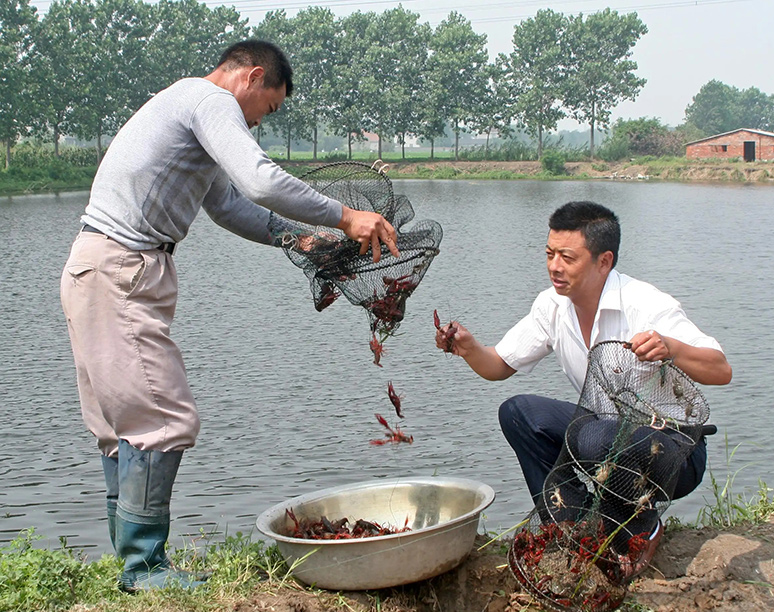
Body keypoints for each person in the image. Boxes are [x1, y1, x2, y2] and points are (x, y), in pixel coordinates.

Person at [60, 40, 399, 592]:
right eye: (267, 108)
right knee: (163, 420)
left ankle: (133, 565)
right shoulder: (211, 102)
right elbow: (261, 181)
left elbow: (228, 206)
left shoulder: (181, 103)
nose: (260, 122)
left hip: (99, 268)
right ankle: (145, 570)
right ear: (252, 78)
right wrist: (346, 215)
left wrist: (300, 237)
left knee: (119, 425)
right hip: (121, 268)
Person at [435, 201, 731, 575]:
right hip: (603, 436)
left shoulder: (646, 305)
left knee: (593, 438)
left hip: (672, 454)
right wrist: (469, 348)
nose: (555, 267)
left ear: (603, 261)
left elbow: (721, 370)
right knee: (518, 413)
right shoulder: (552, 305)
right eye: (549, 254)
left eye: (567, 257)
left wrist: (672, 348)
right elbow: (498, 365)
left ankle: (644, 527)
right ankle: (572, 527)